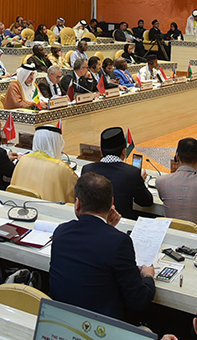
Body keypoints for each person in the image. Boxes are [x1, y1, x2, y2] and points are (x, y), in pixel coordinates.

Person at [49, 172, 155, 321]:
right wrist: (149, 277)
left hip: (61, 322)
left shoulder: (61, 231)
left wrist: (107, 229)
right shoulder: (119, 242)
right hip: (100, 328)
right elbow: (138, 300)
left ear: (77, 203)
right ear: (112, 203)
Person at [81, 128, 152, 220]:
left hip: (92, 223)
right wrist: (140, 182)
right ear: (124, 152)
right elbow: (146, 202)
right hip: (121, 224)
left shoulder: (86, 170)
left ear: (101, 151)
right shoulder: (132, 173)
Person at [11, 125, 76, 202]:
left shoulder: (22, 160)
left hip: (20, 204)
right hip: (48, 208)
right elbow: (76, 191)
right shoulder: (60, 167)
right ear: (57, 143)